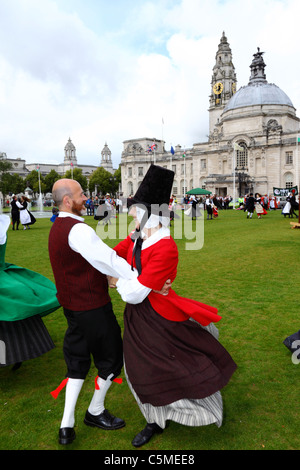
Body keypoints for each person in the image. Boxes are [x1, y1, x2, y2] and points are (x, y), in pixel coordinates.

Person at [109, 165, 237, 448]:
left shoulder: (165, 246)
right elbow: (116, 254)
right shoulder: (139, 236)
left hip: (156, 315)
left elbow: (134, 293)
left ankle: (186, 411)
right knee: (138, 369)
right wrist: (115, 268)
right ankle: (154, 419)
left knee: (163, 368)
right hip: (140, 316)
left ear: (147, 213)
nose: (129, 212)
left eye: (134, 208)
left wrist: (118, 280)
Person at [48, 178, 171, 446]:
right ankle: (95, 411)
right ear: (67, 200)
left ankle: (66, 425)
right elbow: (109, 259)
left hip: (72, 305)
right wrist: (137, 279)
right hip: (91, 306)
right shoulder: (78, 230)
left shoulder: (58, 225)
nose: (86, 199)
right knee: (112, 359)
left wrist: (134, 278)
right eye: (81, 195)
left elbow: (114, 253)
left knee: (77, 361)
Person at [0, 214, 60, 370]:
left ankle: (12, 355)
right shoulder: (2, 223)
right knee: (14, 311)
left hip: (2, 278)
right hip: (4, 277)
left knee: (10, 312)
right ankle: (17, 353)